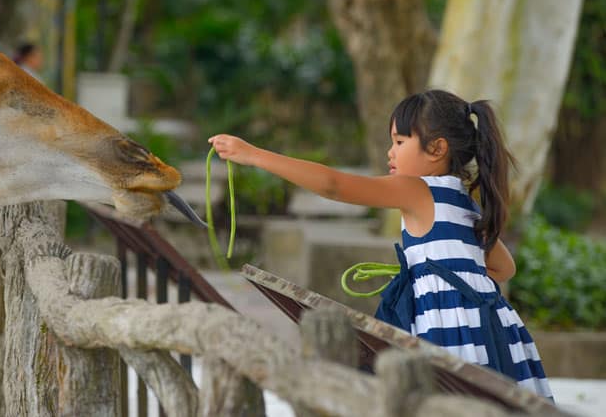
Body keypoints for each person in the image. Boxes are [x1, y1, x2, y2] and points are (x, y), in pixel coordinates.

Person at [208, 89, 553, 399]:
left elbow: (334, 185)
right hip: (490, 329)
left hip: (448, 329)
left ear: (437, 149)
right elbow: (504, 268)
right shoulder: (465, 204)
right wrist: (442, 269)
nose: (391, 152)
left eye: (400, 142)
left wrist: (253, 155)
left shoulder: (417, 189)